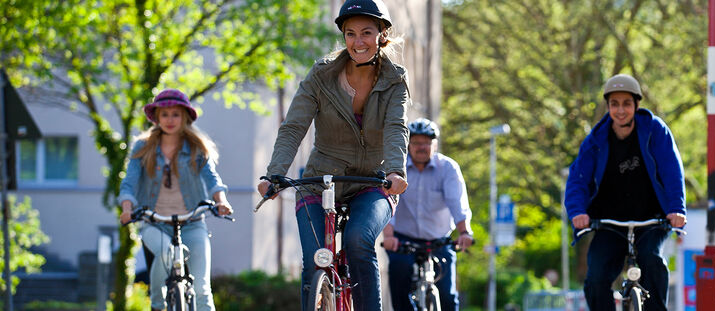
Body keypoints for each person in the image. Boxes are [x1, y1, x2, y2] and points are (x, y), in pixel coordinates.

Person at [255, 0, 409, 309]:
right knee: (315, 261)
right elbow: (293, 126)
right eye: (350, 34)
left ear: (381, 34)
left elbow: (396, 127)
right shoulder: (321, 75)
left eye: (367, 32)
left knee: (358, 241)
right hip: (319, 181)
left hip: (373, 182)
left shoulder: (395, 80)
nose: (358, 42)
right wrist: (275, 173)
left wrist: (395, 172)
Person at [564, 74, 687, 311]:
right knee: (596, 276)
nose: (621, 110)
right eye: (614, 104)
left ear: (636, 105)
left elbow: (672, 171)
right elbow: (578, 180)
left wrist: (676, 209)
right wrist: (578, 212)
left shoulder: (654, 131)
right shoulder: (595, 141)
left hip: (652, 219)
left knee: (652, 260)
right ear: (608, 106)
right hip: (610, 222)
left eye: (627, 104)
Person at [118, 89, 234, 311]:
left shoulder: (195, 147)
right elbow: (129, 183)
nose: (169, 120)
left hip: (192, 222)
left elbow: (212, 179)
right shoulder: (143, 147)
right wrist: (127, 208)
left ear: (185, 117)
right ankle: (158, 305)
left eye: (175, 115)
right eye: (165, 114)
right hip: (154, 222)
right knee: (164, 253)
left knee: (201, 288)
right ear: (157, 118)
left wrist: (221, 201)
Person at [382, 118, 474, 311]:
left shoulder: (448, 168)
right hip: (403, 240)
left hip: (439, 240)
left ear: (435, 144)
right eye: (416, 142)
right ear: (408, 144)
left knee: (448, 297)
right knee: (399, 283)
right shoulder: (397, 171)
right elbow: (390, 203)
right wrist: (389, 236)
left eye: (427, 142)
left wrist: (464, 232)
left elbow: (457, 203)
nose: (421, 147)